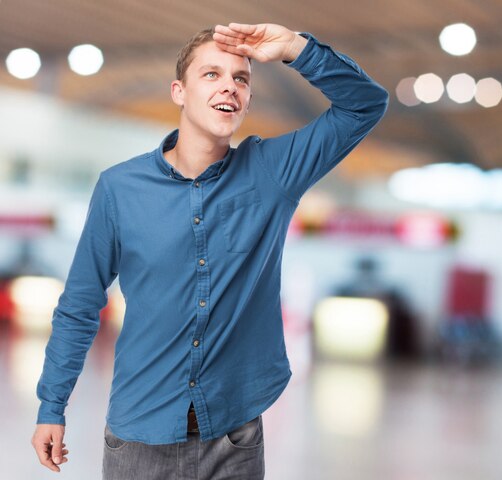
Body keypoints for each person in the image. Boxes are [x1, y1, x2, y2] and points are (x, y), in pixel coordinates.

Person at [31, 22, 388, 479]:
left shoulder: (272, 173)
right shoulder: (120, 189)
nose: (230, 87)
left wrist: (295, 49)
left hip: (233, 437)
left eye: (241, 79)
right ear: (179, 91)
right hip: (140, 436)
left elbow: (365, 106)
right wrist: (51, 405)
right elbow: (80, 304)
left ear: (249, 100)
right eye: (212, 74)